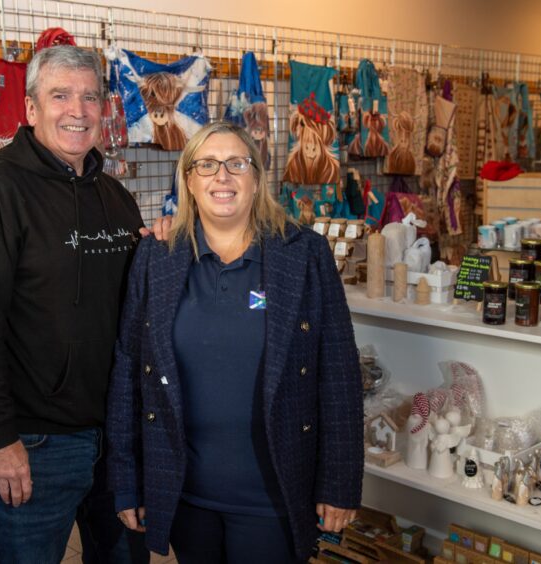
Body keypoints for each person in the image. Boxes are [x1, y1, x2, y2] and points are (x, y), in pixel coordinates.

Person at [107, 121, 364, 563]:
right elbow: (130, 371)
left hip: (273, 498)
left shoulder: (303, 255)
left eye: (236, 164)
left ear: (257, 178)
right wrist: (128, 481)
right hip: (188, 494)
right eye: (206, 165)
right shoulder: (156, 257)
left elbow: (339, 377)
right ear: (188, 179)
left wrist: (339, 484)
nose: (221, 177)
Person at [0, 45, 148, 564]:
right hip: (36, 446)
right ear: (32, 109)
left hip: (119, 440)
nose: (77, 111)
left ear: (105, 110)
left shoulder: (115, 196)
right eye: (60, 96)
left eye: (90, 97)